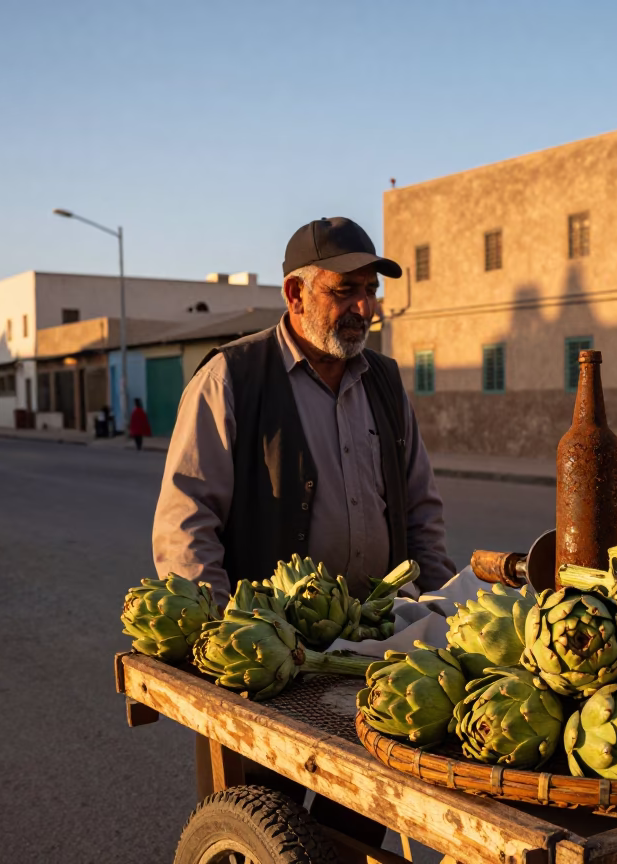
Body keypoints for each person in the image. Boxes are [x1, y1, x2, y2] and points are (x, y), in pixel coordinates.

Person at [152, 216, 457, 841]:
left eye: (369, 290)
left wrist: (439, 612)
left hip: (374, 653)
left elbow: (420, 511)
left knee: (362, 816)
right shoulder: (231, 379)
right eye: (344, 291)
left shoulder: (387, 385)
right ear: (295, 295)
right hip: (272, 664)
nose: (364, 307)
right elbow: (186, 520)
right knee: (268, 822)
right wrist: (227, 643)